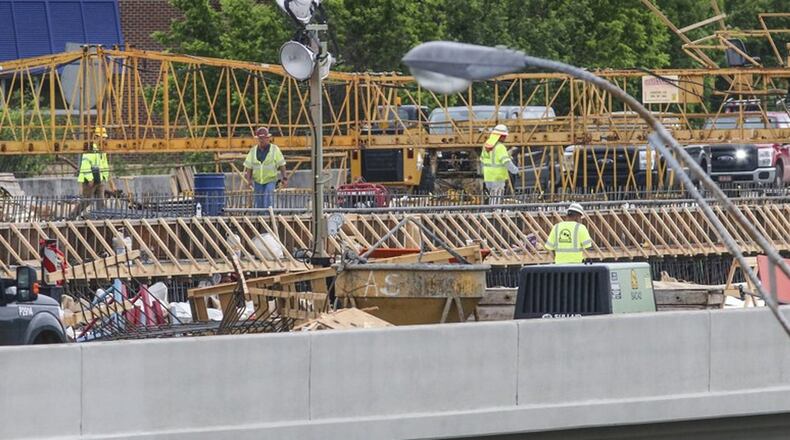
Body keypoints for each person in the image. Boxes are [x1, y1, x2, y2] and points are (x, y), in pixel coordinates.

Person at [244, 127, 287, 209]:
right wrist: (248, 180)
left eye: (264, 138)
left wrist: (284, 178)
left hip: (270, 180)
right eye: (260, 138)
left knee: (267, 200)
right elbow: (249, 167)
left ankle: (268, 219)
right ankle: (260, 219)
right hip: (258, 181)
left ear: (268, 138)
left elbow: (282, 164)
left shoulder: (274, 149)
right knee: (259, 203)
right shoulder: (253, 151)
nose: (262, 140)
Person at [73, 127, 110, 217]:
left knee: (100, 200)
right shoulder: (90, 148)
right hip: (89, 180)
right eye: (103, 137)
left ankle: (102, 217)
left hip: (99, 178)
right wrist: (90, 178)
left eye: (105, 137)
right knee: (87, 201)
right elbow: (85, 164)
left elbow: (104, 164)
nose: (104, 139)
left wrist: (105, 177)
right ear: (97, 137)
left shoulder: (102, 150)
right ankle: (72, 216)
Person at [480, 124, 518, 205]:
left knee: (492, 196)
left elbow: (483, 160)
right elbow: (506, 162)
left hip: (488, 176)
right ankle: (495, 213)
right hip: (498, 177)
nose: (505, 138)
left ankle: (491, 212)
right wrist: (515, 170)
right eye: (504, 136)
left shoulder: (486, 146)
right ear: (500, 136)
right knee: (496, 197)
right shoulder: (500, 147)